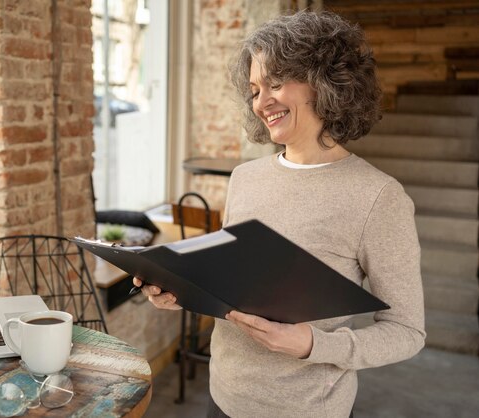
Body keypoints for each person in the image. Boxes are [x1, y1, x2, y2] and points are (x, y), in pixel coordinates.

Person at [133, 10, 425, 418]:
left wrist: (313, 344)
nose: (261, 101)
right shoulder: (245, 178)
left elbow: (407, 332)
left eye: (276, 83)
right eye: (254, 89)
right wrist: (179, 293)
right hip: (223, 399)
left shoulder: (378, 197)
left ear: (325, 82)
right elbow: (233, 286)